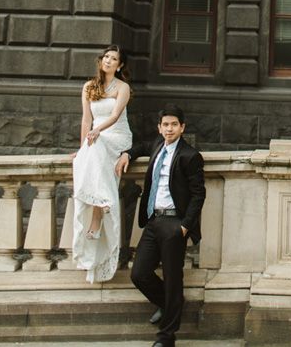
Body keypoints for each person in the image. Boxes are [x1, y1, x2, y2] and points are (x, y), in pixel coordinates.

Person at [115, 106, 206, 347]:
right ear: (159, 127)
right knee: (139, 273)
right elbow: (142, 147)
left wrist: (185, 226)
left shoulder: (190, 155)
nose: (169, 129)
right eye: (165, 125)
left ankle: (166, 338)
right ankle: (169, 304)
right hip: (154, 221)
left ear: (182, 127)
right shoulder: (157, 145)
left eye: (174, 124)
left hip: (175, 224)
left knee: (173, 279)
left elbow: (199, 194)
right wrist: (127, 154)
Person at [72, 44, 132, 283]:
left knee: (98, 144)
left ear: (120, 65)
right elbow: (86, 120)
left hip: (116, 134)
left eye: (114, 58)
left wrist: (97, 131)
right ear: (101, 61)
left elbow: (116, 115)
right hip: (96, 137)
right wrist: (81, 148)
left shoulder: (123, 87)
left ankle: (99, 215)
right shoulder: (89, 87)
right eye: (106, 56)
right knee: (90, 153)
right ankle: (102, 203)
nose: (108, 60)